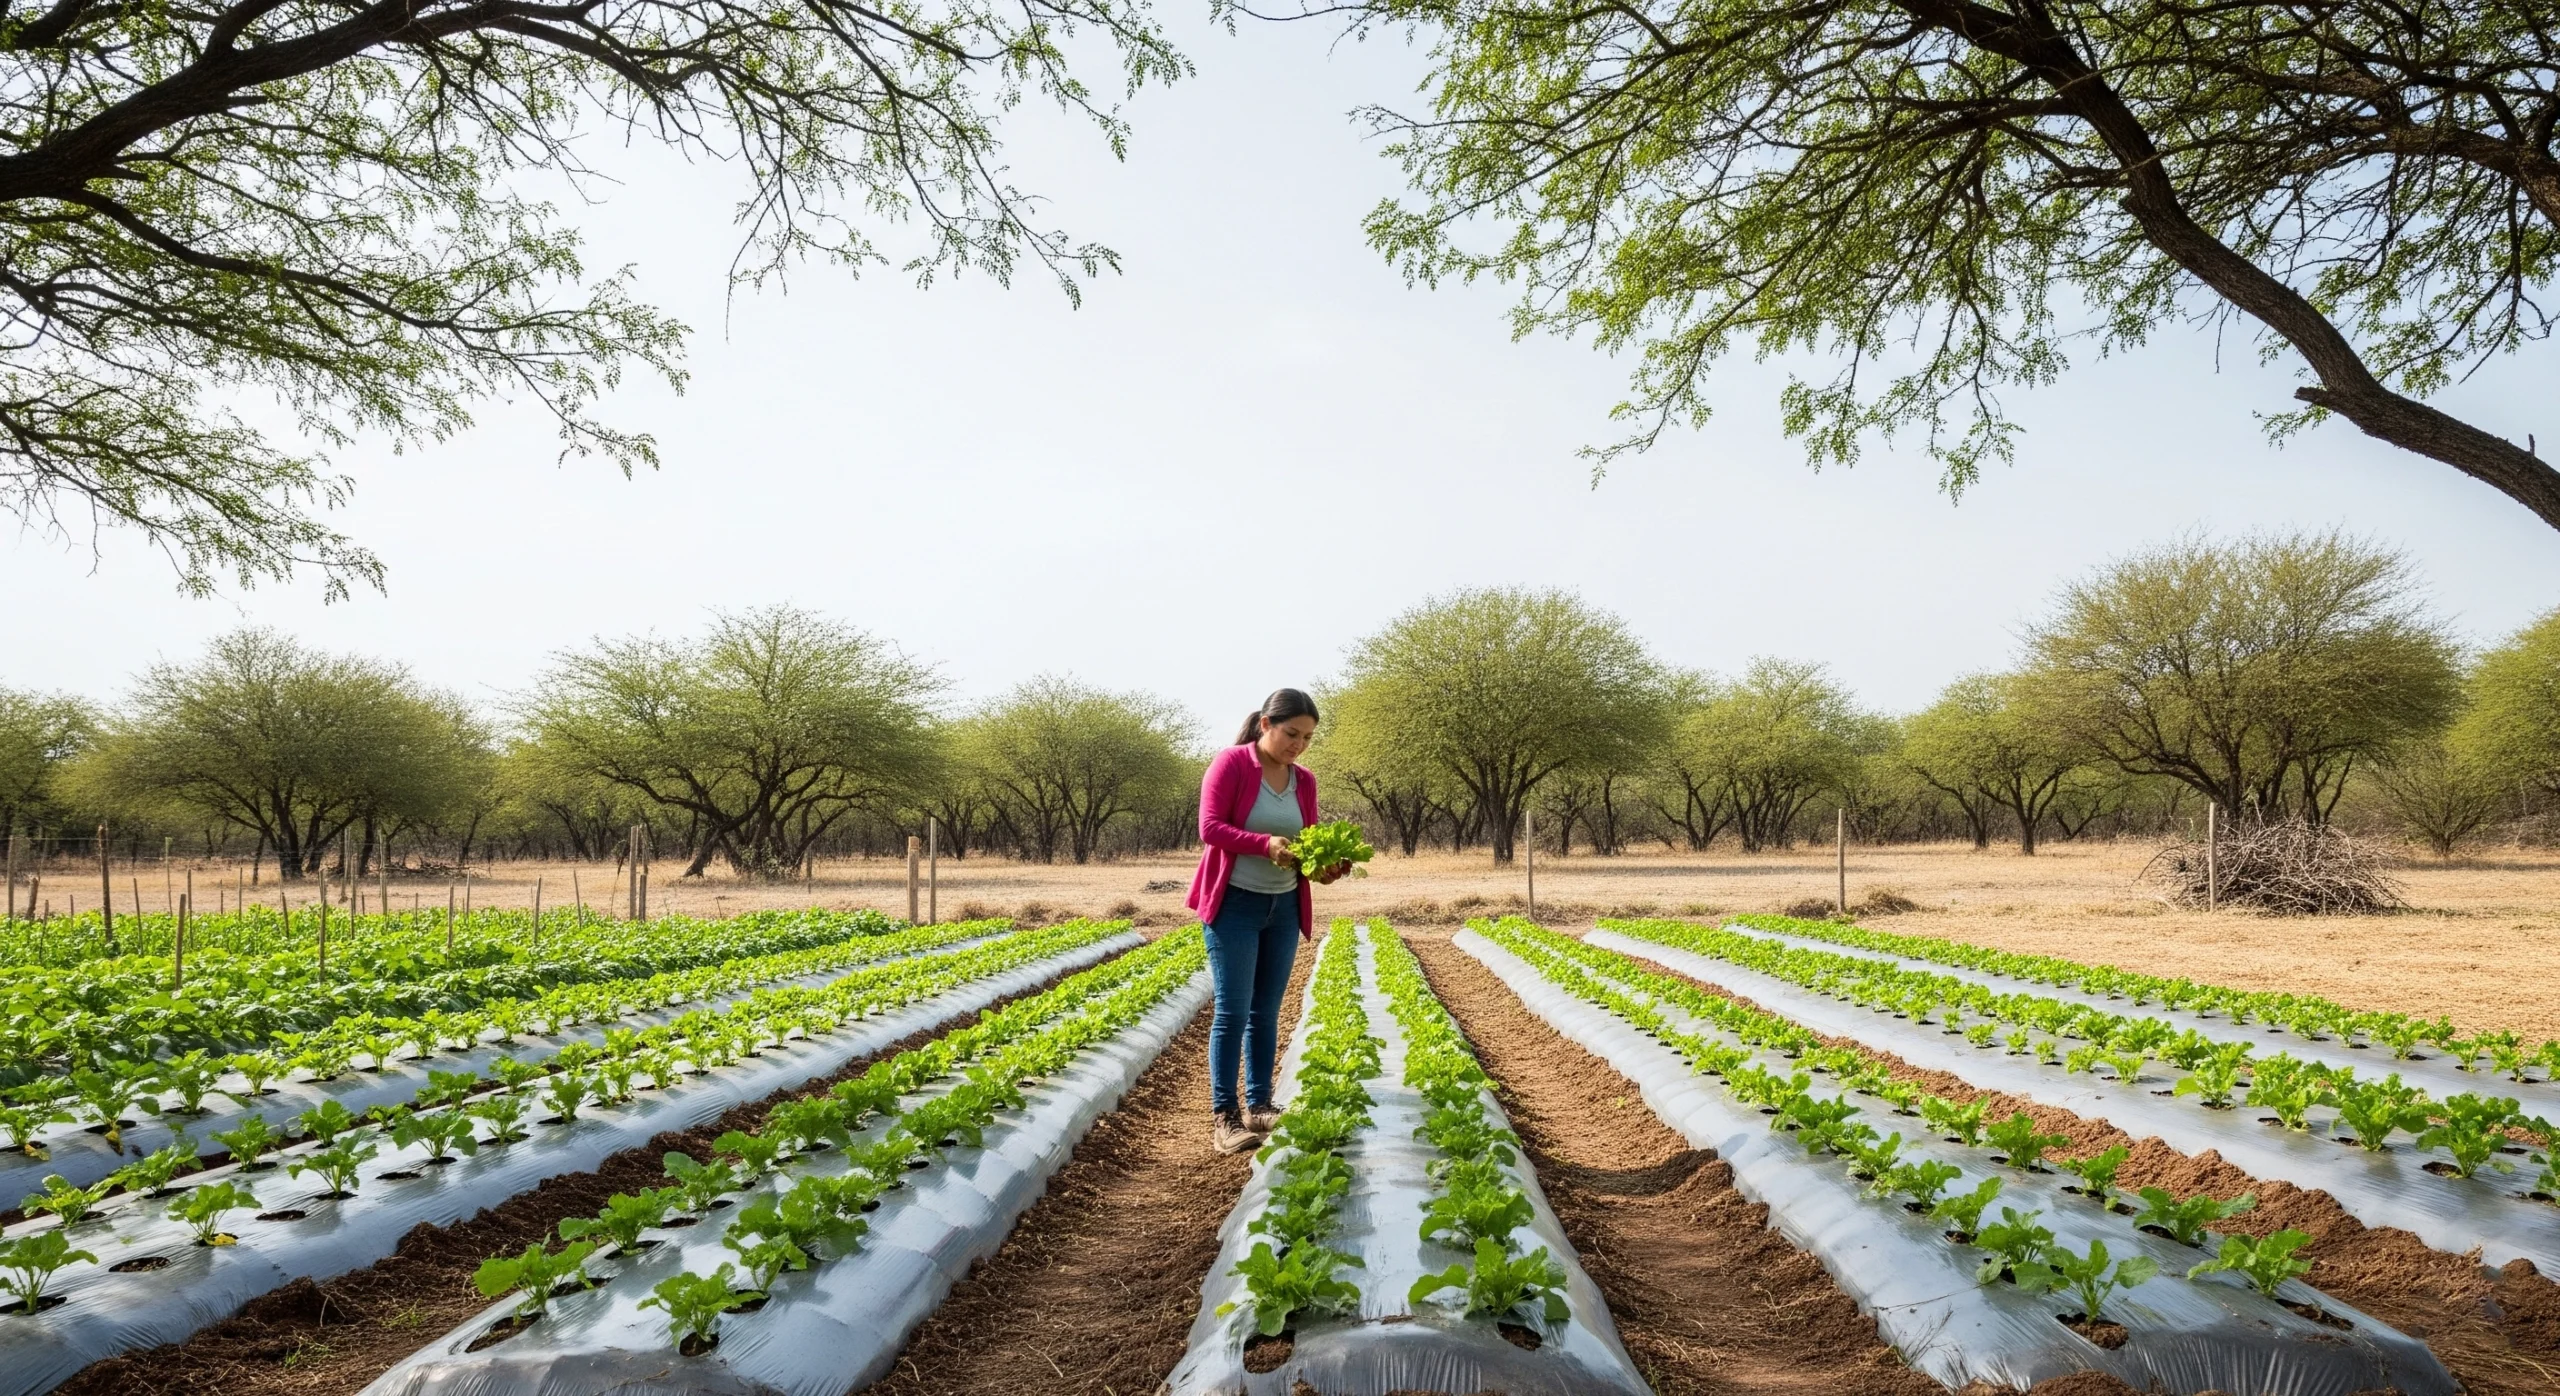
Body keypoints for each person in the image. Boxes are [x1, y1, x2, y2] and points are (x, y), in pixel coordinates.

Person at [1186, 687, 1349, 1153]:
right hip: (1235, 904)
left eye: (1308, 738)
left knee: (1266, 1011)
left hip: (1283, 907)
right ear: (1266, 725)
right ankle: (1226, 1117)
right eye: (1291, 733)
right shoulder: (1232, 764)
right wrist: (1266, 844)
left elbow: (1309, 838)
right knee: (1232, 1011)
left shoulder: (1305, 780)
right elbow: (1210, 828)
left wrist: (1325, 865)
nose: (1298, 744)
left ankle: (1260, 1107)